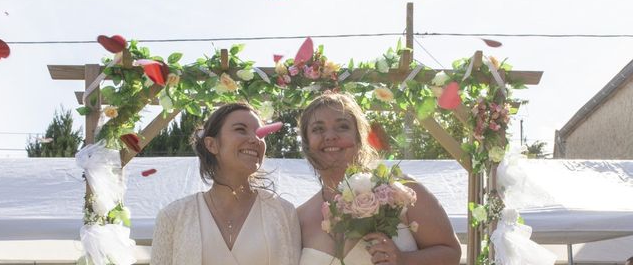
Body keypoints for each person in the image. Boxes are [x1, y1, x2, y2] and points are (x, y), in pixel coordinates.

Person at [297, 92, 462, 265]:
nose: (330, 136)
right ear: (307, 143)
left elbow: (451, 254)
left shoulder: (401, 192)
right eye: (318, 129)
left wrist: (404, 260)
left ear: (359, 137)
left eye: (342, 126)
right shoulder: (299, 218)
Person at [150, 102, 301, 265]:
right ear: (211, 144)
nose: (256, 139)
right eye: (240, 129)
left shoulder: (284, 213)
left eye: (260, 134)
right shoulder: (173, 217)